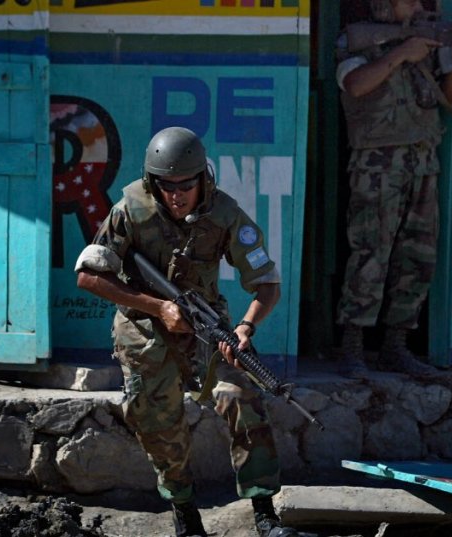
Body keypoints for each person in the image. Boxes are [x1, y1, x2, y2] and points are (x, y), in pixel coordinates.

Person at [75, 127, 302, 537]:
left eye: (186, 185)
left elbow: (268, 284)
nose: (177, 195)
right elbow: (89, 277)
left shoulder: (226, 214)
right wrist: (159, 307)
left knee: (243, 397)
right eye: (167, 186)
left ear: (203, 178)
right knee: (158, 418)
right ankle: (184, 511)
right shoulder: (130, 209)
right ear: (152, 182)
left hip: (207, 326)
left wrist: (246, 326)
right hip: (144, 326)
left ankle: (265, 513)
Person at [334, 0, 452, 377]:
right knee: (370, 254)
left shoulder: (424, 42)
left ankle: (396, 346)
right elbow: (354, 85)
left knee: (418, 256)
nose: (417, 5)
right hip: (377, 164)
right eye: (409, 0)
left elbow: (446, 98)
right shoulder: (358, 43)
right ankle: (352, 348)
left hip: (422, 160)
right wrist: (401, 53)